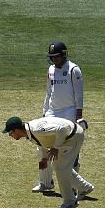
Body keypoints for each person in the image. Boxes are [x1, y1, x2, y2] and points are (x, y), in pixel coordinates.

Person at [4, 116, 94, 208]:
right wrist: (44, 158)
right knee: (60, 168)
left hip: (74, 137)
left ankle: (70, 202)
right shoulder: (30, 133)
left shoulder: (37, 130)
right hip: (65, 139)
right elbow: (42, 142)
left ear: (17, 130)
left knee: (61, 169)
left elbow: (61, 129)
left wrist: (56, 147)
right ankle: (84, 187)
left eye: (10, 132)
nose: (10, 135)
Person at [34, 41, 88, 192]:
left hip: (69, 112)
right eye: (52, 58)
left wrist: (78, 116)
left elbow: (79, 95)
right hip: (52, 111)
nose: (54, 60)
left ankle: (74, 186)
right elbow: (49, 92)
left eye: (56, 57)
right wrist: (44, 112)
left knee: (68, 148)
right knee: (42, 145)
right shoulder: (51, 70)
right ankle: (45, 182)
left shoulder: (74, 70)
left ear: (64, 55)